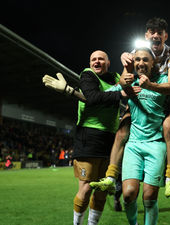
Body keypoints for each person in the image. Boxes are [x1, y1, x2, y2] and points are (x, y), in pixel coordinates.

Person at [43, 50, 139, 225]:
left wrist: (126, 62)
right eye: (93, 59)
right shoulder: (87, 75)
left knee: (103, 188)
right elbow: (92, 98)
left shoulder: (114, 76)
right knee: (86, 187)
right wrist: (120, 94)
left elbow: (125, 82)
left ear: (108, 63)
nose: (96, 62)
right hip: (89, 136)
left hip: (110, 138)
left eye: (101, 59)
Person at [96, 17, 170, 198]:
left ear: (165, 36)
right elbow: (123, 80)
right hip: (140, 98)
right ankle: (111, 177)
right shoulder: (135, 52)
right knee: (121, 132)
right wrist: (125, 76)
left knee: (169, 128)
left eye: (160, 32)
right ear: (146, 35)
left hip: (164, 98)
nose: (156, 35)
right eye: (152, 32)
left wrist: (150, 86)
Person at [92, 47, 170, 225]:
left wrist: (150, 86)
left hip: (156, 143)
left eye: (145, 59)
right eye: (137, 60)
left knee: (149, 196)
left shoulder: (163, 79)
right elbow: (109, 91)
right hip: (134, 144)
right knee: (128, 195)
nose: (141, 63)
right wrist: (124, 72)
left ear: (153, 63)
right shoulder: (131, 81)